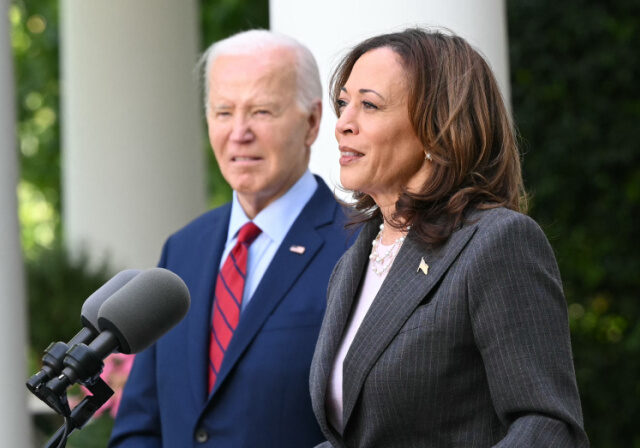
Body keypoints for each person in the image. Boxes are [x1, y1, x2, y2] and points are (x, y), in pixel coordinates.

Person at [309, 28, 589, 447]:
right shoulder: (352, 263)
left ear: (437, 128)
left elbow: (547, 426)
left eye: (369, 105)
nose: (343, 125)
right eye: (344, 103)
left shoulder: (497, 243)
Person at [109, 30, 353, 447]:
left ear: (311, 122)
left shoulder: (358, 245)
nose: (239, 132)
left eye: (261, 111)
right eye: (223, 112)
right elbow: (139, 426)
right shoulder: (183, 249)